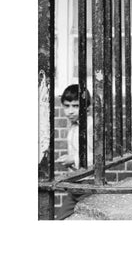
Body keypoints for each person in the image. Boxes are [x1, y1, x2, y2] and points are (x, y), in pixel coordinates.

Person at [56, 84, 93, 220]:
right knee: (60, 218)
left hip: (89, 185)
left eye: (75, 106)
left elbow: (101, 157)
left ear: (86, 106)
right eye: (67, 106)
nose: (70, 111)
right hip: (75, 186)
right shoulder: (73, 126)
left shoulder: (89, 125)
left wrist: (74, 159)